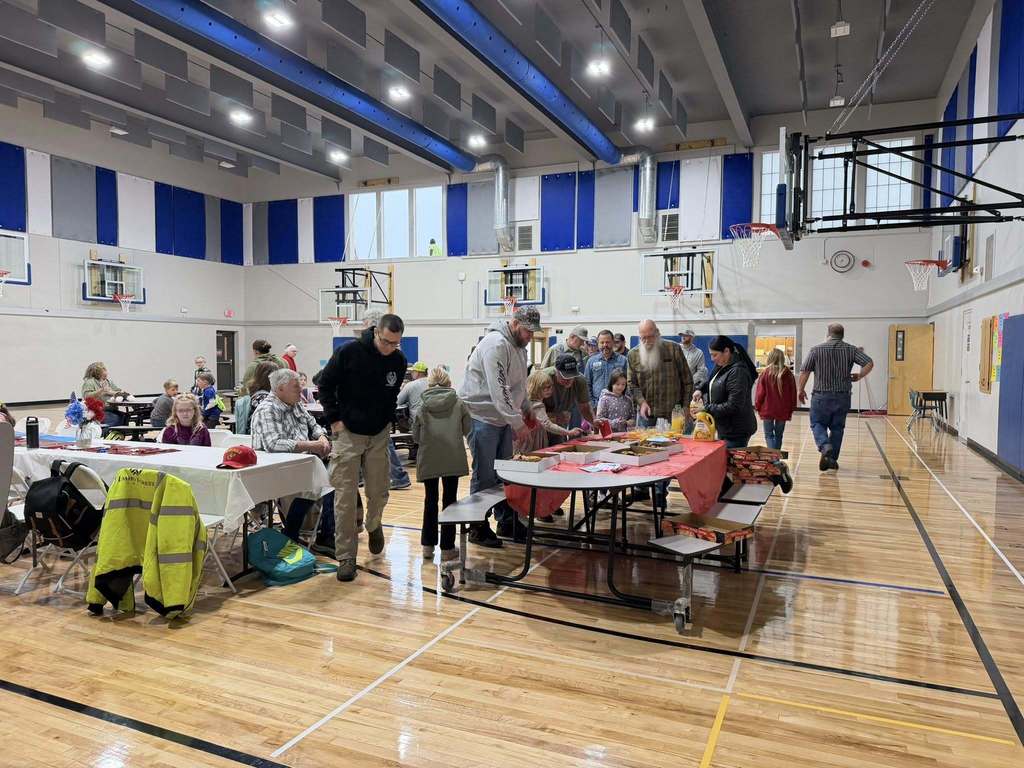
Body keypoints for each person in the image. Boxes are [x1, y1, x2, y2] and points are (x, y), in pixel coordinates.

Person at [319, 313, 408, 582]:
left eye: (395, 343)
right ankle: (346, 556)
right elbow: (325, 385)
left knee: (379, 490)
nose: (390, 347)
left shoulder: (398, 360)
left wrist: (388, 420)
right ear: (375, 332)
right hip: (347, 433)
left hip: (379, 433)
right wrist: (334, 420)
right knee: (344, 496)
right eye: (386, 341)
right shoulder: (349, 352)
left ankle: (373, 523)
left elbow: (391, 395)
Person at [459, 305, 542, 545]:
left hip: (503, 418)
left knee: (505, 474)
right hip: (481, 417)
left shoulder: (519, 347)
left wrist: (527, 408)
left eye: (533, 332)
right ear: (515, 323)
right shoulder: (495, 344)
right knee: (484, 475)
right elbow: (500, 391)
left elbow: (519, 385)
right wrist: (518, 423)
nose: (530, 337)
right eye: (527, 331)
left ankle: (506, 520)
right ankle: (478, 526)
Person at [251, 369, 332, 542]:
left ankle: (325, 533)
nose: (300, 390)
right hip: (276, 468)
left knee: (340, 479)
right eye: (296, 387)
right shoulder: (267, 409)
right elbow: (273, 444)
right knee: (323, 485)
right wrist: (312, 445)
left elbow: (313, 424)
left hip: (302, 462)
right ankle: (296, 533)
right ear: (280, 389)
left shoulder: (295, 404)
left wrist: (322, 436)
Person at [412, 367, 471, 561]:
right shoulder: (459, 403)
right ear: (449, 383)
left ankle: (427, 547)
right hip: (452, 456)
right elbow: (466, 429)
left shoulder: (422, 406)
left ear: (429, 384)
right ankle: (447, 548)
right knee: (450, 501)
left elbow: (416, 436)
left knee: (430, 501)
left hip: (429, 458)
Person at [798, 323, 874, 471]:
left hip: (821, 396)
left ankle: (825, 446)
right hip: (843, 396)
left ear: (828, 334)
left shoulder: (816, 350)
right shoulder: (851, 349)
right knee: (838, 428)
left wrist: (800, 390)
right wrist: (859, 375)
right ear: (842, 335)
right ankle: (831, 459)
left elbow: (805, 371)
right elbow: (869, 363)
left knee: (817, 424)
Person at [691, 336, 758, 449]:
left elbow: (733, 405)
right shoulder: (722, 365)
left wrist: (705, 408)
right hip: (725, 427)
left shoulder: (738, 372)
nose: (712, 359)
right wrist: (700, 389)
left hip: (736, 431)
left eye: (715, 354)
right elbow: (715, 382)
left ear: (726, 351)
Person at [626, 320, 693, 428]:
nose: (647, 341)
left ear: (657, 333)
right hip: (647, 414)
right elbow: (632, 384)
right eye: (643, 338)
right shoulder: (633, 355)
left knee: (675, 444)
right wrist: (641, 402)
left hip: (673, 413)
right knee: (646, 444)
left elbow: (687, 381)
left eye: (651, 336)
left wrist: (686, 406)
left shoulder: (673, 349)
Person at [542, 354, 597, 443]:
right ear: (556, 371)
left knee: (559, 448)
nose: (569, 380)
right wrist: (554, 417)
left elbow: (584, 407)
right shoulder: (543, 378)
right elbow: (531, 411)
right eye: (565, 376)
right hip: (540, 429)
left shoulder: (580, 380)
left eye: (572, 376)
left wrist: (594, 422)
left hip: (560, 426)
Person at [755, 348, 797, 450]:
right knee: (779, 435)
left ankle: (774, 459)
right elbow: (793, 393)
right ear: (782, 358)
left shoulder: (765, 373)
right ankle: (776, 457)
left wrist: (757, 405)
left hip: (767, 409)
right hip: (783, 410)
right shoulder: (788, 373)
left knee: (769, 435)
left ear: (770, 358)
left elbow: (760, 393)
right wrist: (792, 407)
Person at [584, 330, 628, 409]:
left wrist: (623, 402)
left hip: (618, 406)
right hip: (596, 406)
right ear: (598, 343)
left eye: (608, 342)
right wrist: (592, 404)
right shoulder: (591, 361)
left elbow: (628, 383)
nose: (605, 345)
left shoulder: (623, 360)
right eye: (602, 342)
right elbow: (587, 384)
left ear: (613, 343)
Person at [81, 362, 130, 427]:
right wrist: (101, 390)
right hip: (98, 411)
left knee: (125, 416)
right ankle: (105, 433)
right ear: (97, 372)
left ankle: (118, 435)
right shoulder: (90, 382)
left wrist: (115, 392)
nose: (106, 372)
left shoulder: (108, 381)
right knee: (116, 419)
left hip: (111, 409)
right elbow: (87, 397)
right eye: (104, 370)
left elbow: (118, 391)